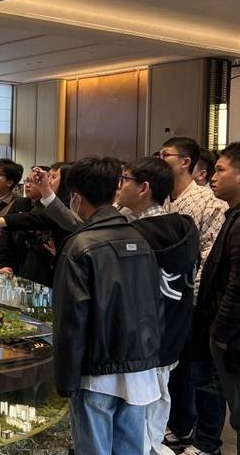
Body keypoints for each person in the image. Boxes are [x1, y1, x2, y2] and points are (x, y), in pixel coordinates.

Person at [53, 156, 162, 455]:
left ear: (76, 197)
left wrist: (65, 380)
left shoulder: (79, 246)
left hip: (96, 373)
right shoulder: (140, 239)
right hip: (139, 369)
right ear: (115, 190)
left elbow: (71, 320)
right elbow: (155, 303)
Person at [115, 157, 200, 455]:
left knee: (137, 415)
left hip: (142, 343)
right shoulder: (184, 227)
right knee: (159, 404)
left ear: (144, 188)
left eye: (125, 179)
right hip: (173, 334)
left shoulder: (132, 236)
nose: (119, 186)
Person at [160, 137, 228, 455]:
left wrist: (185, 290)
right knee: (176, 369)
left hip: (195, 300)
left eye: (166, 155)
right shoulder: (163, 199)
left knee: (200, 374)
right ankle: (180, 425)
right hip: (167, 300)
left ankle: (206, 441)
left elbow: (209, 256)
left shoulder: (208, 203)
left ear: (186, 161)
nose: (160, 160)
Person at [195, 143, 240, 455]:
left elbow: (237, 285)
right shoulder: (232, 216)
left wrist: (221, 332)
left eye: (221, 170)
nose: (213, 177)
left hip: (232, 338)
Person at [0, 167, 56, 286]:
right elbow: (6, 235)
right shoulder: (20, 203)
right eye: (27, 181)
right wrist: (2, 264)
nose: (27, 185)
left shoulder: (52, 209)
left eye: (33, 182)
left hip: (43, 272)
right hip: (16, 266)